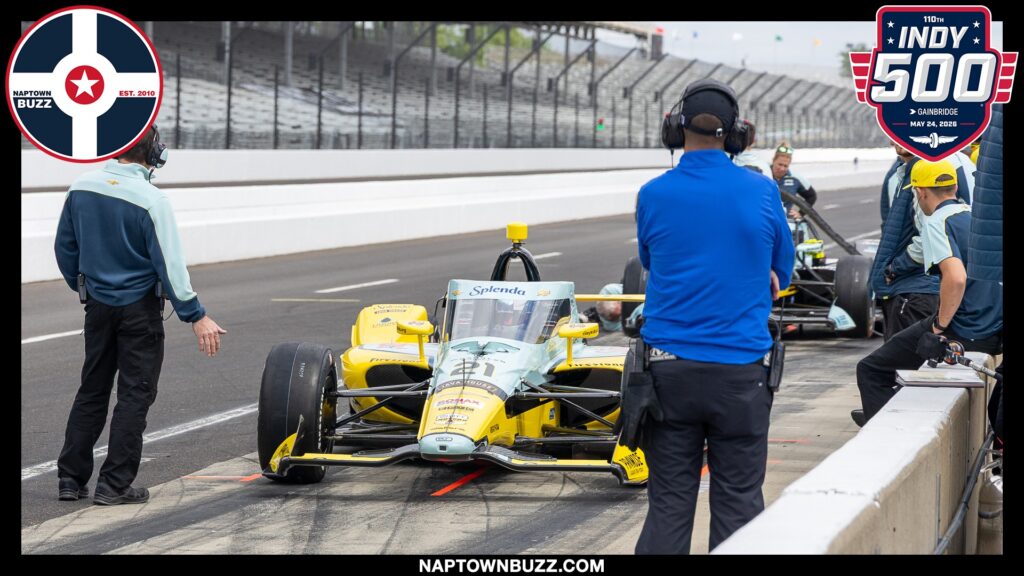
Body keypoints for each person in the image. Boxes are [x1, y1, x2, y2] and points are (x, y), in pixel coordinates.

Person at [634, 79, 794, 554]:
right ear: (737, 136)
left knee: (668, 502)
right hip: (740, 374)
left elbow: (649, 260)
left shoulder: (652, 193)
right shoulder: (764, 192)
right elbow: (781, 272)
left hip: (668, 371)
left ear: (674, 130)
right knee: (740, 502)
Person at [54, 126, 227, 505]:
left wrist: (85, 287)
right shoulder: (152, 200)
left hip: (97, 307)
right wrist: (195, 314)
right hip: (139, 311)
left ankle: (70, 478)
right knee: (135, 395)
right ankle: (114, 484)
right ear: (154, 152)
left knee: (92, 389)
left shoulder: (81, 186)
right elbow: (170, 265)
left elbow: (65, 248)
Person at [854, 160, 1001, 425]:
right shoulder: (974, 217)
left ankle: (890, 434)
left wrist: (938, 325)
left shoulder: (937, 221)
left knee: (871, 369)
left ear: (920, 192)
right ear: (955, 186)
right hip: (992, 327)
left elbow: (955, 278)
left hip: (966, 329)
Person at [771, 142, 817, 218]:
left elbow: (812, 196)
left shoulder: (795, 178)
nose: (782, 169)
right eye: (780, 164)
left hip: (785, 223)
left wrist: (800, 213)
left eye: (785, 166)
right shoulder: (763, 174)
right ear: (773, 161)